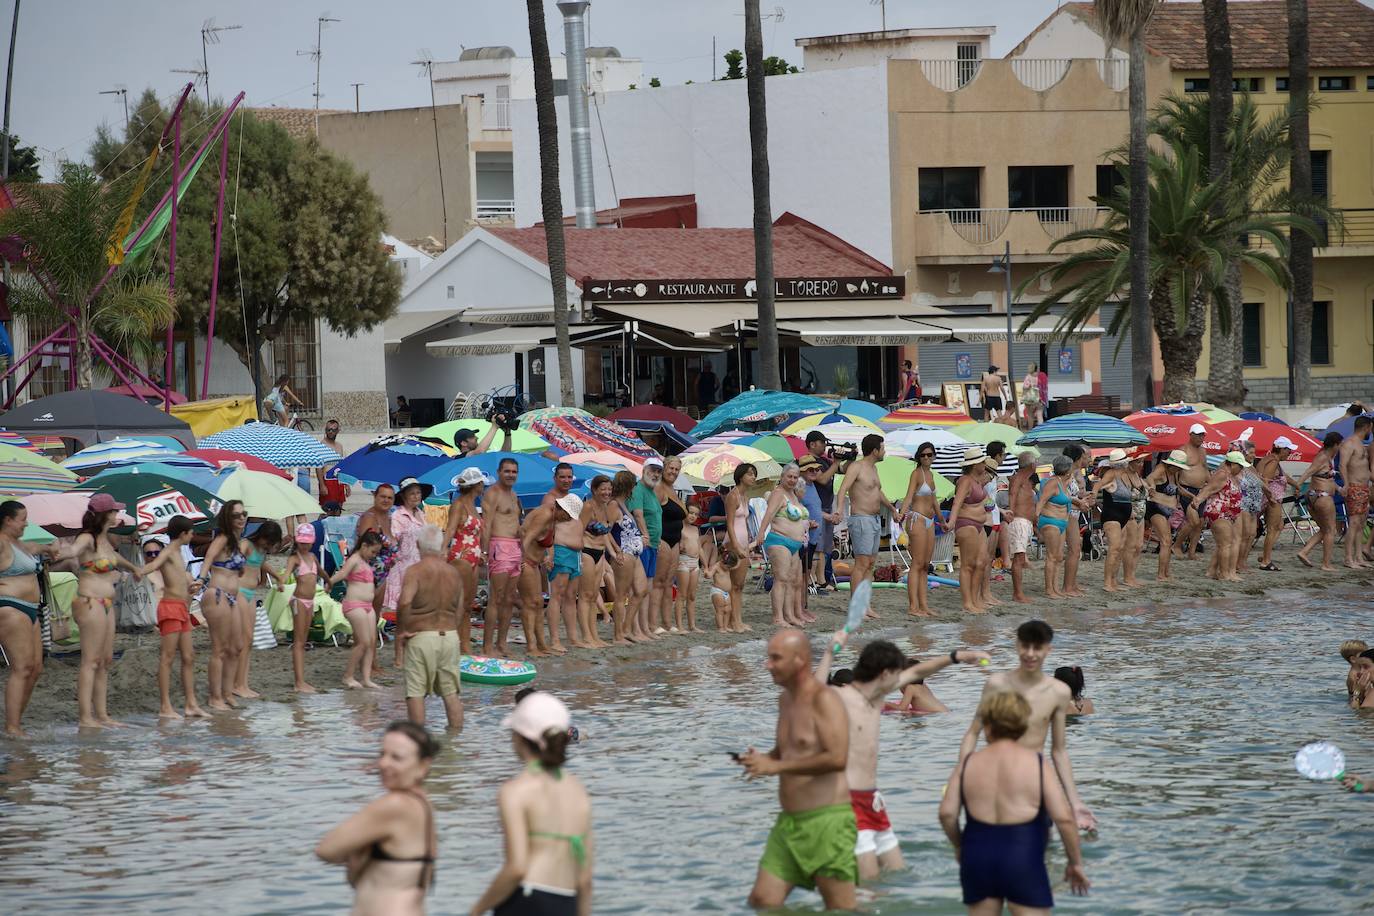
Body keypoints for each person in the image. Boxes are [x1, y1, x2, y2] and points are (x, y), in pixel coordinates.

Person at [814, 633, 989, 881]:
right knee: (868, 883)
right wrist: (829, 653)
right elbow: (816, 687)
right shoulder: (840, 698)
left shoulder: (876, 695)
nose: (900, 678)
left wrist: (957, 657)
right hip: (848, 802)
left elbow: (919, 671)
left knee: (897, 874)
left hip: (873, 801)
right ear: (884, 673)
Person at [940, 691, 1090, 913]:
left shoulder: (968, 763)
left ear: (987, 725)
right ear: (1023, 725)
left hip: (977, 857)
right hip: (1023, 855)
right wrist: (1075, 862)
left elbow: (947, 814)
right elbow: (1063, 819)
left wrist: (960, 846)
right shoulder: (1036, 764)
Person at [739, 630, 857, 911]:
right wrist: (762, 760)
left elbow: (838, 758)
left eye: (775, 658)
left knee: (840, 908)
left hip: (827, 822)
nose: (767, 664)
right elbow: (786, 752)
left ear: (800, 661)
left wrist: (776, 766)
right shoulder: (785, 700)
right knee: (762, 901)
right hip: (789, 824)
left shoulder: (825, 699)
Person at [959, 619, 1096, 831]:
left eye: (1037, 648)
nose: (1031, 654)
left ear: (1048, 649)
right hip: (996, 779)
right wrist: (962, 772)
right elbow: (972, 733)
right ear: (1017, 646)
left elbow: (1059, 751)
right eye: (1025, 646)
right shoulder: (997, 684)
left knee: (1041, 850)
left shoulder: (1058, 693)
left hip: (1035, 782)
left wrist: (1075, 802)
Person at [469, 692, 594, 915]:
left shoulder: (515, 790)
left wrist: (477, 909)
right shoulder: (577, 790)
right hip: (568, 899)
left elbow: (516, 868)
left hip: (527, 897)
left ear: (518, 736)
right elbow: (585, 878)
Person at [316, 720, 439, 916]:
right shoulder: (423, 804)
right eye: (382, 754)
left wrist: (358, 852)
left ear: (423, 765)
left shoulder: (394, 805)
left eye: (396, 758)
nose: (383, 763)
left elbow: (326, 850)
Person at [49, 493, 142, 729]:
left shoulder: (105, 540)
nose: (117, 514)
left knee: (105, 660)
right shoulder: (88, 538)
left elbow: (115, 559)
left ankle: (102, 716)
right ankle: (85, 718)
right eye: (114, 511)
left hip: (107, 603)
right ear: (105, 514)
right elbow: (73, 550)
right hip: (90, 602)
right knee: (90, 661)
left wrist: (134, 568)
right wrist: (58, 551)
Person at [398, 524, 465, 728]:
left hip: (422, 636)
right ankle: (455, 742)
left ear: (418, 545)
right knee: (451, 693)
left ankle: (418, 743)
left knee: (416, 693)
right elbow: (461, 608)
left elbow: (405, 602)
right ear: (439, 546)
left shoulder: (415, 571)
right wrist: (454, 628)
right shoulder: (453, 572)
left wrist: (402, 630)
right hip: (450, 636)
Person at [141, 516, 207, 719]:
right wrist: (137, 571)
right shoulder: (169, 550)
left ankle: (191, 704)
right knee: (167, 657)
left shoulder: (180, 552)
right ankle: (165, 707)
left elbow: (177, 579)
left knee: (188, 657)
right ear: (183, 534)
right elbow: (154, 565)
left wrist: (192, 586)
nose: (193, 536)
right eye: (191, 533)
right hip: (169, 608)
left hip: (182, 608)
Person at [0, 501, 57, 737]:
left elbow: (32, 547)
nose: (26, 523)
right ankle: (12, 727)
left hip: (31, 608)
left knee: (35, 668)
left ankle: (15, 723)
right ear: (8, 520)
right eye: (23, 518)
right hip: (10, 607)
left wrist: (48, 549)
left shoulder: (18, 544)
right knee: (21, 668)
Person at [835, 434, 899, 615]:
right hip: (861, 519)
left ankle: (865, 605)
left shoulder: (874, 469)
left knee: (870, 564)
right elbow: (842, 489)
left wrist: (892, 509)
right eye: (883, 448)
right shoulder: (857, 467)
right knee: (861, 564)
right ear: (875, 450)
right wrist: (839, 510)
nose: (885, 451)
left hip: (875, 520)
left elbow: (877, 492)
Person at [198, 500, 248, 711]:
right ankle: (214, 696)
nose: (242, 518)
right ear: (228, 518)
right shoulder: (223, 538)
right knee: (219, 649)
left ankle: (227, 693)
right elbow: (208, 558)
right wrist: (200, 579)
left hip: (233, 598)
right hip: (216, 594)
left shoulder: (238, 542)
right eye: (237, 515)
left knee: (236, 647)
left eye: (244, 514)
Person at [750, 463, 811, 628]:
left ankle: (789, 615)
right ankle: (777, 617)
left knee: (792, 580)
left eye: (795, 477)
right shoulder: (778, 494)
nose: (792, 480)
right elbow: (769, 514)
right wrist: (760, 533)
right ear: (782, 477)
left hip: (794, 544)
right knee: (782, 579)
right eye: (789, 476)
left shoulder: (793, 495)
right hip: (779, 540)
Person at [329, 531, 385, 689]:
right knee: (363, 642)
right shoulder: (354, 559)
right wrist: (328, 583)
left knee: (371, 642)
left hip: (367, 606)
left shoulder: (365, 562)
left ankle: (366, 678)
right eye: (373, 551)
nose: (374, 555)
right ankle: (348, 676)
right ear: (364, 545)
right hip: (354, 605)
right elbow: (341, 574)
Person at [386, 477, 433, 665]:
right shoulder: (398, 516)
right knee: (403, 614)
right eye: (412, 493)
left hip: (419, 565)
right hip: (402, 568)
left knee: (416, 612)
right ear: (404, 496)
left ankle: (412, 653)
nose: (416, 496)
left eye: (418, 493)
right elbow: (393, 540)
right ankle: (399, 656)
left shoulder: (421, 514)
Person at [235, 521, 283, 699]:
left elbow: (262, 564)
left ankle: (242, 683)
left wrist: (278, 577)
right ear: (261, 536)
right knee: (243, 639)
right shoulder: (246, 544)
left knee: (248, 640)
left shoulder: (261, 550)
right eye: (266, 542)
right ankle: (237, 684)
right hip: (239, 591)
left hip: (251, 594)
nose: (266, 546)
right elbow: (233, 561)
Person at [443, 467, 487, 656]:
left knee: (468, 603)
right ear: (476, 485)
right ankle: (456, 644)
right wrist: (442, 551)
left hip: (474, 556)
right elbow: (451, 529)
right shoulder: (459, 505)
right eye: (481, 482)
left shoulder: (473, 505)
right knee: (459, 604)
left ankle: (464, 644)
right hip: (461, 556)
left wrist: (482, 552)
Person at [482, 459, 522, 656]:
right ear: (498, 472)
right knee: (496, 598)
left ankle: (502, 644)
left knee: (509, 598)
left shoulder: (513, 495)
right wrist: (484, 551)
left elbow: (516, 523)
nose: (511, 475)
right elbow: (487, 524)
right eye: (507, 471)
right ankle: (487, 646)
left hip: (515, 548)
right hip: (499, 545)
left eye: (514, 471)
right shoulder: (493, 493)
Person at [947, 448, 992, 614]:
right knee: (968, 565)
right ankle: (967, 602)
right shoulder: (965, 481)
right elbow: (957, 503)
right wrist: (951, 521)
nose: (984, 464)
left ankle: (975, 599)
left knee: (981, 563)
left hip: (978, 525)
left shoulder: (977, 480)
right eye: (982, 462)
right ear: (974, 465)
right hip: (966, 524)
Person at [898, 442, 941, 616]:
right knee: (916, 564)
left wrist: (943, 519)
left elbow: (934, 500)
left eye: (929, 455)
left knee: (925, 565)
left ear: (934, 456)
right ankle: (913, 606)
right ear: (918, 457)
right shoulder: (916, 474)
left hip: (930, 521)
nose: (926, 458)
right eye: (923, 455)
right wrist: (900, 515)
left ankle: (924, 605)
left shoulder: (930, 474)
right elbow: (908, 496)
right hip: (917, 519)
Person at [1195, 451, 1249, 584]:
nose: (1241, 469)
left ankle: (1212, 571)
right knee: (1226, 544)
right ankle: (1224, 573)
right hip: (1218, 512)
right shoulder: (1222, 474)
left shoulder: (1231, 475)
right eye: (1240, 466)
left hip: (1227, 513)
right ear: (1232, 464)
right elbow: (1208, 489)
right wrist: (1197, 500)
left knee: (1223, 544)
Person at [607, 471, 648, 644]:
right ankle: (618, 635)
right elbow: (605, 530)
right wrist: (615, 550)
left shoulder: (624, 504)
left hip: (634, 552)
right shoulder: (614, 505)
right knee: (621, 595)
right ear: (630, 486)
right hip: (624, 552)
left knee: (641, 590)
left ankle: (626, 628)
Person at [627, 457, 665, 640]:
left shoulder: (652, 492)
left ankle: (644, 628)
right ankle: (635, 629)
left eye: (659, 471)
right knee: (638, 589)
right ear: (644, 470)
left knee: (647, 589)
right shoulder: (638, 489)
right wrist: (645, 535)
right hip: (642, 545)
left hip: (653, 546)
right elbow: (638, 514)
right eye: (653, 470)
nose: (656, 474)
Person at [281, 523, 322, 693]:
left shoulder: (312, 557)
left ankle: (301, 680)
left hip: (310, 602)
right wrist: (281, 583)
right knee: (298, 642)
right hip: (298, 601)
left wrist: (329, 582)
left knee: (304, 641)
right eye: (302, 542)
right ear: (297, 541)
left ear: (312, 542)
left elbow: (321, 572)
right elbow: (286, 574)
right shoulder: (294, 558)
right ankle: (299, 682)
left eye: (307, 542)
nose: (305, 545)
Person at [549, 494, 592, 650]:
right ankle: (555, 640)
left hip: (575, 558)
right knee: (557, 595)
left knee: (571, 597)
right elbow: (550, 540)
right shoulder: (554, 522)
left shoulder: (577, 522)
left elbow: (580, 542)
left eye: (559, 508)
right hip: (562, 556)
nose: (556, 510)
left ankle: (573, 637)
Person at [518, 500, 561, 656]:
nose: (567, 520)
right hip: (525, 561)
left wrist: (550, 556)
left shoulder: (554, 518)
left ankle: (541, 645)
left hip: (534, 563)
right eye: (568, 516)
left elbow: (547, 541)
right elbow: (527, 537)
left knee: (539, 602)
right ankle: (531, 647)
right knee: (530, 603)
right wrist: (520, 559)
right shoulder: (544, 515)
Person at [1295, 432, 1343, 571]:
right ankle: (1326, 564)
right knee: (1330, 530)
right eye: (1340, 444)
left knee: (1324, 529)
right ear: (1335, 445)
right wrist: (1298, 486)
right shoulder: (1322, 457)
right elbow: (1309, 471)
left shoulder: (1327, 457)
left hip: (1314, 496)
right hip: (1322, 496)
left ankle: (1304, 552)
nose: (1340, 447)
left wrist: (1340, 489)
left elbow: (1327, 478)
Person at [1092, 448, 1138, 592]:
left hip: (1123, 516)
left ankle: (1114, 581)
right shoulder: (1111, 474)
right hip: (1112, 516)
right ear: (1123, 463)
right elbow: (1098, 485)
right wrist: (1093, 495)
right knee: (1114, 549)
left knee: (1120, 549)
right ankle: (1107, 583)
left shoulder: (1125, 475)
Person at [804, 431, 844, 591]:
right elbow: (823, 479)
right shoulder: (809, 462)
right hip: (816, 507)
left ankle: (821, 580)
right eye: (822, 442)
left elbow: (842, 469)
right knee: (817, 547)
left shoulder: (826, 461)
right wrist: (836, 463)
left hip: (827, 505)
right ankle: (814, 580)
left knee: (826, 547)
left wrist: (848, 457)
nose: (825, 446)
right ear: (813, 444)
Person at [653, 456, 686, 634]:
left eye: (676, 470)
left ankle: (666, 622)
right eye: (671, 468)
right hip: (662, 538)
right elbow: (652, 514)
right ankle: (653, 622)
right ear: (663, 468)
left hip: (675, 540)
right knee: (658, 582)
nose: (673, 472)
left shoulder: (673, 489)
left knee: (668, 583)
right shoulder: (658, 488)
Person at [722, 463, 757, 634]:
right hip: (733, 542)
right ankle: (733, 622)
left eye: (754, 474)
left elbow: (743, 522)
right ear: (741, 476)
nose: (753, 477)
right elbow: (729, 523)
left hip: (743, 543)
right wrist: (735, 545)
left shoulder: (745, 496)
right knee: (733, 584)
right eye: (750, 474)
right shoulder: (733, 496)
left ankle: (738, 620)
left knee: (740, 585)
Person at [1144, 449, 1188, 581]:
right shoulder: (1161, 468)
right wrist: (1151, 487)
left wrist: (1194, 497)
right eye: (1178, 467)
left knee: (1167, 542)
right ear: (1172, 464)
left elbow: (1178, 488)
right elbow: (1150, 477)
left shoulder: (1174, 473)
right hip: (1155, 507)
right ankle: (1161, 575)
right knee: (1166, 541)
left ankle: (1166, 572)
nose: (1179, 469)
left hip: (1167, 509)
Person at [1255, 437, 1298, 571]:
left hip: (1269, 499)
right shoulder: (1273, 462)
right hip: (1272, 499)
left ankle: (1265, 555)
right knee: (1272, 529)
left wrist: (1297, 485)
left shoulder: (1270, 459)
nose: (1290, 453)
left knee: (1279, 526)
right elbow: (1265, 481)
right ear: (1281, 449)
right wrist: (1270, 498)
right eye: (1288, 450)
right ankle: (1266, 561)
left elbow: (1284, 476)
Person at [1034, 455, 1073, 600]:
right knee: (1051, 556)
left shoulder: (1064, 482)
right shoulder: (1052, 483)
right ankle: (1049, 589)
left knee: (1058, 557)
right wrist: (1035, 521)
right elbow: (1041, 500)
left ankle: (1056, 588)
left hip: (1061, 522)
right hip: (1050, 521)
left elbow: (1066, 500)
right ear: (1067, 469)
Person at [1337, 415, 1372, 569]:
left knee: (1361, 523)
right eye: (1371, 427)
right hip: (1354, 487)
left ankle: (1358, 557)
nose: (1371, 430)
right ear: (1366, 427)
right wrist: (1345, 485)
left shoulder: (1361, 444)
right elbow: (1342, 465)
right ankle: (1348, 558)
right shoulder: (1349, 443)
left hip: (1364, 488)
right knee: (1354, 523)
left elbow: (1365, 469)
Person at [1174, 423, 1214, 560]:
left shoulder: (1203, 451)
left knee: (1200, 523)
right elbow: (1174, 472)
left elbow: (1204, 470)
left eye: (1203, 435)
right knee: (1193, 522)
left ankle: (1192, 552)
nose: (1201, 437)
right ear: (1190, 435)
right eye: (1198, 435)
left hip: (1201, 491)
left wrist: (1212, 485)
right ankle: (1177, 545)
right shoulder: (1183, 450)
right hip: (1187, 490)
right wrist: (1179, 489)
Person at [1005, 452, 1038, 604]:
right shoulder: (1018, 478)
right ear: (1032, 465)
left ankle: (1019, 593)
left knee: (1020, 558)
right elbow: (1012, 494)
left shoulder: (1026, 480)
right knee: (1018, 559)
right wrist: (1010, 512)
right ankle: (1017, 594)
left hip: (1025, 522)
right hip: (1019, 521)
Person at [1059, 445, 1091, 597]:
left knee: (1075, 550)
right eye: (1083, 457)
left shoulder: (1070, 474)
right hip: (1069, 514)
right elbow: (1063, 496)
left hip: (1073, 513)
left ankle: (1072, 584)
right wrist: (1079, 503)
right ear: (1077, 459)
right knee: (1074, 550)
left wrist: (1081, 500)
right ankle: (1068, 587)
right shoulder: (1067, 475)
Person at [1233, 440, 1264, 574]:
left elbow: (1261, 483)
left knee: (1252, 535)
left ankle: (1243, 562)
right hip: (1243, 503)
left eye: (1254, 452)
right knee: (1244, 535)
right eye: (1251, 452)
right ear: (1243, 452)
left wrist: (1269, 493)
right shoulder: (1237, 468)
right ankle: (1238, 563)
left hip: (1254, 504)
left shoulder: (1251, 467)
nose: (1254, 455)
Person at [675, 503, 705, 633]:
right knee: (681, 595)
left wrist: (707, 565)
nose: (693, 516)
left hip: (695, 562)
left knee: (692, 596)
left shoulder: (695, 529)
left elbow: (699, 548)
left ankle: (692, 625)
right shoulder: (679, 527)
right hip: (683, 561)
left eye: (695, 514)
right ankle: (680, 626)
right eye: (691, 512)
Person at [317, 419, 350, 506]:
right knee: (327, 510)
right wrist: (322, 485)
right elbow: (319, 468)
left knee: (338, 509)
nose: (331, 432)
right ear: (325, 430)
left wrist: (347, 485)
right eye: (329, 430)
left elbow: (342, 466)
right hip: (327, 481)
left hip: (338, 481)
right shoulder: (322, 445)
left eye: (333, 430)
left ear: (338, 431)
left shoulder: (339, 446)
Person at [1020, 362, 1041, 429]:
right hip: (1036, 397)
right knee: (1038, 414)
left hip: (1028, 397)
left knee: (1029, 414)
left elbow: (1026, 387)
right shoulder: (1038, 376)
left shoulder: (1028, 376)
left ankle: (1030, 429)